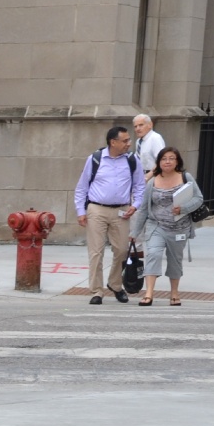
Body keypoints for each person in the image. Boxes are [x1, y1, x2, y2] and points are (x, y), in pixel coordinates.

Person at [74, 125, 145, 305]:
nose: (129, 143)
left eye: (129, 140)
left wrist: (135, 205)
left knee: (121, 251)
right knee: (96, 252)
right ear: (113, 142)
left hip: (122, 211)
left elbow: (140, 186)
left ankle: (115, 284)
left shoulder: (132, 160)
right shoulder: (95, 159)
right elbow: (82, 187)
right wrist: (81, 211)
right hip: (97, 209)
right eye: (125, 140)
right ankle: (96, 291)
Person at [137, 146, 193, 306]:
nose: (167, 162)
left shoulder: (186, 177)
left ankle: (174, 293)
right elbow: (144, 209)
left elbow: (199, 199)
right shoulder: (152, 181)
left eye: (171, 158)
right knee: (153, 254)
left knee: (175, 260)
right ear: (159, 162)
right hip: (156, 226)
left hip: (179, 228)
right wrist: (135, 233)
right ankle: (148, 293)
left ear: (177, 161)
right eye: (164, 159)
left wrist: (183, 209)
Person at [133, 114, 166, 179]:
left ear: (150, 125)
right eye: (135, 126)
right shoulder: (138, 141)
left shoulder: (155, 138)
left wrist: (149, 175)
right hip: (141, 176)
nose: (138, 129)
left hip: (154, 176)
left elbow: (161, 160)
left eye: (141, 125)